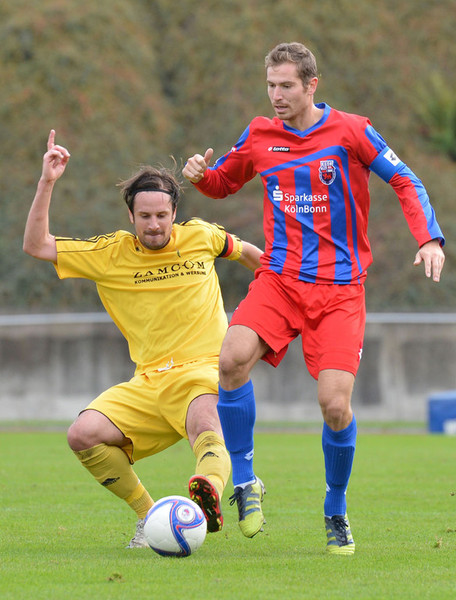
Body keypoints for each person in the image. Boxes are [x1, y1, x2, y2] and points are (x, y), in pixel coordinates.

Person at [182, 42, 445, 554]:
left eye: (286, 86)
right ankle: (246, 481)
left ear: (311, 85)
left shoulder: (352, 131)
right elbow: (223, 182)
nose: (276, 96)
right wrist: (200, 177)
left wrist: (428, 238)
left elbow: (405, 180)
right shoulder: (260, 134)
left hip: (340, 290)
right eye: (270, 86)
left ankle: (336, 507)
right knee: (230, 360)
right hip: (280, 280)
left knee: (335, 406)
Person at [23, 130, 263, 548]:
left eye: (162, 215)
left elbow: (250, 256)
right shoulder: (109, 253)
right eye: (145, 216)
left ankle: (206, 493)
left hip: (203, 370)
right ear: (131, 216)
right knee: (82, 433)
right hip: (149, 381)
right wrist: (47, 182)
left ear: (174, 213)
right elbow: (36, 245)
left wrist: (284, 294)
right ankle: (150, 516)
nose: (154, 225)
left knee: (206, 424)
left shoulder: (202, 236)